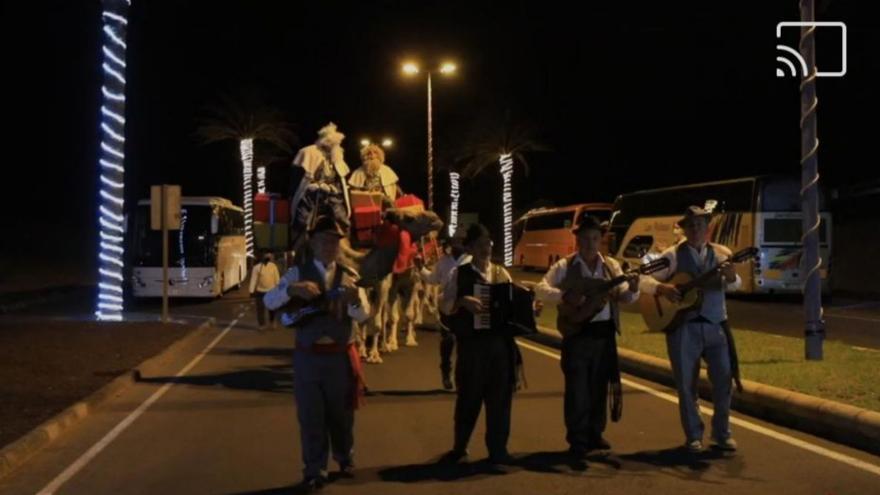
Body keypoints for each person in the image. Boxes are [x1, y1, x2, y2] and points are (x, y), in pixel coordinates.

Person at [263, 215, 371, 492]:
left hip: (339, 357)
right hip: (308, 357)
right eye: (323, 240)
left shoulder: (350, 276)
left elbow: (364, 316)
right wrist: (290, 289)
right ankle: (314, 469)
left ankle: (345, 457)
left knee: (342, 415)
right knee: (311, 417)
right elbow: (269, 300)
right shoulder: (296, 273)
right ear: (312, 242)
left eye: (334, 241)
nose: (328, 245)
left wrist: (355, 300)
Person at [639, 206, 741, 453]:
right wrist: (662, 289)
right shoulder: (672, 255)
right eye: (691, 225)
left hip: (715, 324)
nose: (695, 229)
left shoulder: (722, 254)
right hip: (683, 327)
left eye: (699, 225)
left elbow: (736, 285)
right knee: (686, 385)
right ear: (684, 229)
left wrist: (731, 277)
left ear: (707, 228)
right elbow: (643, 278)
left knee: (724, 381)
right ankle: (693, 435)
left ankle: (721, 433)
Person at [535, 214, 639, 456]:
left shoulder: (611, 266)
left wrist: (633, 287)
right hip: (578, 334)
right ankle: (577, 438)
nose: (590, 243)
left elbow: (625, 296)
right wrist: (564, 296)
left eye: (595, 238)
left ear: (600, 240)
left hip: (604, 335)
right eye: (585, 238)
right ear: (578, 240)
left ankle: (595, 433)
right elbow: (541, 289)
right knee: (577, 389)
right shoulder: (564, 266)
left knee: (599, 387)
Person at [439, 223, 523, 466]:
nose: (485, 249)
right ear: (471, 248)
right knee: (469, 398)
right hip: (473, 346)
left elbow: (511, 303)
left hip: (499, 345)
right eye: (480, 245)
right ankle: (460, 448)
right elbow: (444, 304)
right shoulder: (460, 273)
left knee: (500, 400)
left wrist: (527, 308)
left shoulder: (501, 273)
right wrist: (462, 301)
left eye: (488, 244)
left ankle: (498, 450)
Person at [417, 235, 471, 390]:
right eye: (450, 245)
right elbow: (433, 279)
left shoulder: (470, 261)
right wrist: (421, 268)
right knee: (448, 341)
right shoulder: (443, 262)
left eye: (456, 245)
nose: (452, 248)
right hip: (446, 309)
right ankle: (446, 372)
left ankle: (462, 379)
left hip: (465, 309)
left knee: (464, 346)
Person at [290, 123, 352, 249]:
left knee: (342, 219)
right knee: (302, 220)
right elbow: (299, 180)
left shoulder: (336, 157)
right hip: (310, 195)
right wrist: (314, 186)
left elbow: (340, 180)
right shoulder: (308, 153)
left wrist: (333, 188)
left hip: (331, 195)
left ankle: (343, 247)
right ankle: (298, 248)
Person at [249, 251, 281, 329]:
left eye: (270, 257)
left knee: (272, 308)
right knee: (260, 308)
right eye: (267, 257)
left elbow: (277, 278)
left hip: (271, 290)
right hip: (260, 291)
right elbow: (253, 279)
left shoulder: (273, 266)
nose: (269, 259)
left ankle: (272, 321)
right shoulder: (256, 268)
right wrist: (251, 290)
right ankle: (262, 324)